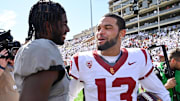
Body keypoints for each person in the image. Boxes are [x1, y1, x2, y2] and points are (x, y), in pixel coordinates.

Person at [69, 13, 170, 101]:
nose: (100, 32)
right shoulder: (82, 60)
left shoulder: (138, 57)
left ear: (122, 33)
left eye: (107, 28)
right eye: (98, 29)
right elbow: (68, 96)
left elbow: (160, 92)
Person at [13, 0, 70, 101]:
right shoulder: (43, 48)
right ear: (48, 26)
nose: (67, 29)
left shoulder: (31, 48)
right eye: (64, 23)